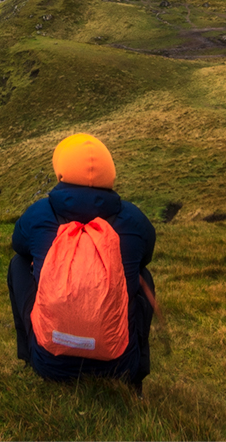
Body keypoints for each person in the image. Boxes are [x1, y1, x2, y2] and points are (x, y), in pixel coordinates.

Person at [8, 132, 158, 392]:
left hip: (49, 364)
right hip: (119, 367)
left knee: (17, 265)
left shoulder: (40, 213)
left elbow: (19, 246)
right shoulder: (134, 219)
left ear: (62, 173)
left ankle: (29, 354)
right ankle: (137, 374)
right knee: (143, 275)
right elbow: (146, 257)